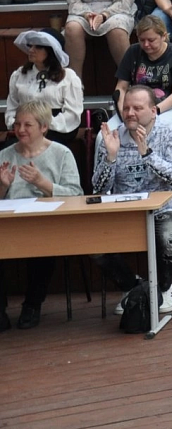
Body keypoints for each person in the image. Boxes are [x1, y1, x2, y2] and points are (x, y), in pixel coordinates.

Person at [92, 84, 172, 316]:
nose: (130, 113)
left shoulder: (171, 132)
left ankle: (164, 289)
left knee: (167, 238)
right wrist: (111, 157)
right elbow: (98, 188)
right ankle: (136, 289)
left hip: (168, 208)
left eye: (137, 108)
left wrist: (146, 153)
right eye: (126, 108)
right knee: (95, 245)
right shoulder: (111, 136)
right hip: (126, 211)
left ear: (153, 111)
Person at [0, 103, 82, 330]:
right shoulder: (4, 155)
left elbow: (76, 193)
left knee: (44, 243)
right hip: (10, 224)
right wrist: (2, 186)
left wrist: (42, 183)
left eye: (28, 124)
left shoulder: (62, 153)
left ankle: (32, 306)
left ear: (44, 127)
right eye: (17, 124)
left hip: (47, 221)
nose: (20, 129)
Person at [63, 0, 136, 80]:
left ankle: (129, 81)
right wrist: (87, 15)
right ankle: (74, 84)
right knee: (72, 28)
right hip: (84, 13)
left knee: (117, 28)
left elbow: (125, 1)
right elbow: (73, 1)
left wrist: (104, 15)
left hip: (116, 11)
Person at [114, 15, 172, 131]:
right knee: (103, 136)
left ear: (164, 36)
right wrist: (122, 111)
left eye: (151, 40)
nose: (146, 44)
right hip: (136, 109)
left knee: (154, 129)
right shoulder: (133, 52)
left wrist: (154, 111)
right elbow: (121, 87)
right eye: (142, 40)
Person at [5, 29, 84, 144]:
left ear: (51, 51)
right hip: (23, 130)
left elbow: (72, 114)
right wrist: (17, 124)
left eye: (38, 47)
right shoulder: (19, 75)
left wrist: (41, 125)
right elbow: (12, 107)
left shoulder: (68, 77)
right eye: (31, 46)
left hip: (54, 131)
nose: (31, 50)